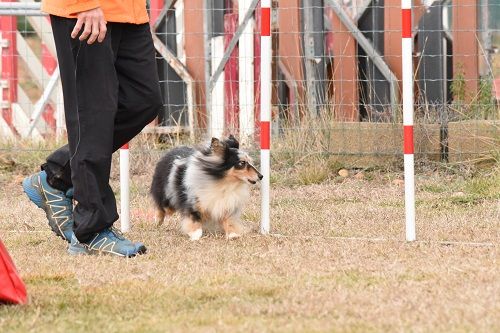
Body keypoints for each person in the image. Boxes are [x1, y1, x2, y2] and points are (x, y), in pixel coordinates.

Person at [22, 0, 162, 257]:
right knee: (93, 114)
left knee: (143, 101)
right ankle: (91, 232)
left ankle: (58, 175)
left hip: (129, 11)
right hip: (85, 11)